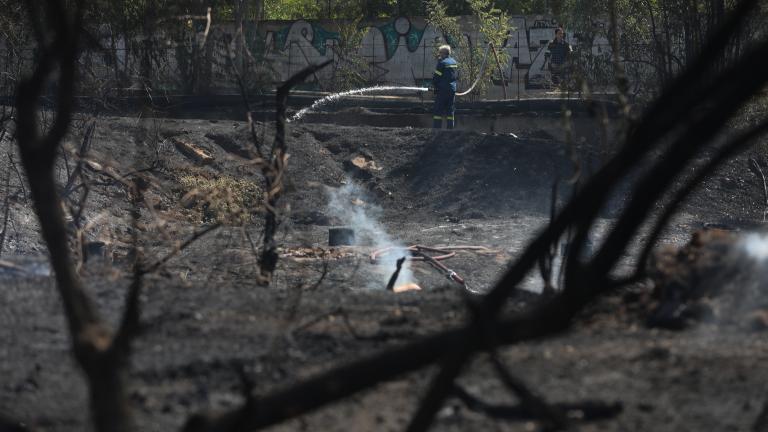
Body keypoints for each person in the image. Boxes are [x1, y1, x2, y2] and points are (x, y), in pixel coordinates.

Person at [432, 45, 459, 129]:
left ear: (443, 53)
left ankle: (437, 130)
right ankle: (450, 131)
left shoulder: (442, 63)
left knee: (438, 110)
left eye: (440, 53)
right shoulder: (454, 62)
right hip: (452, 90)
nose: (439, 55)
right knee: (450, 110)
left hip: (442, 90)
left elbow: (436, 78)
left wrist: (435, 86)